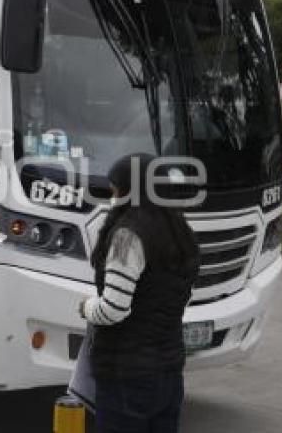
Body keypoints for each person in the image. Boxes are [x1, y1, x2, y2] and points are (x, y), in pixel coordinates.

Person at [79, 153, 200, 433]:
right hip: (169, 372)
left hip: (127, 375)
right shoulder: (180, 231)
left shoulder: (128, 235)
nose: (112, 195)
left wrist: (86, 306)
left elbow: (114, 309)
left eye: (116, 188)